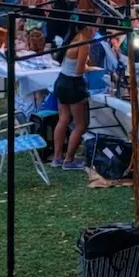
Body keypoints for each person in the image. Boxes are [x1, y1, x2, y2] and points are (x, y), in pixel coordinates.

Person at [52, 15, 99, 171]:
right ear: (88, 27)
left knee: (63, 119)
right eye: (95, 27)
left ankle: (57, 157)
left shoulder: (72, 38)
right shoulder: (84, 42)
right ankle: (69, 159)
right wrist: (92, 69)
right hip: (73, 84)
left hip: (61, 81)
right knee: (81, 124)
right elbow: (79, 70)